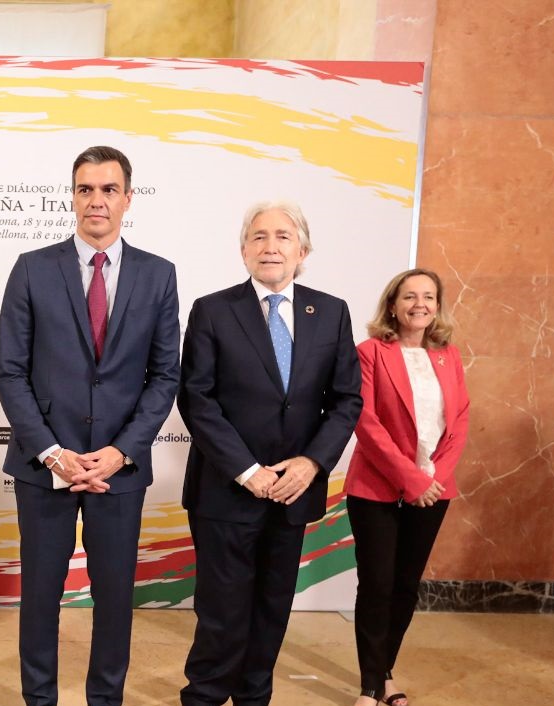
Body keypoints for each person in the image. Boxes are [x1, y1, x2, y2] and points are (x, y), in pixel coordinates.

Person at [0, 145, 181, 706]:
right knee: (40, 597)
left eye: (108, 189)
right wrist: (52, 452)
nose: (96, 200)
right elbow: (10, 372)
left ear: (128, 198)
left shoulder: (158, 274)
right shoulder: (32, 267)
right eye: (85, 189)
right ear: (72, 196)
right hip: (44, 467)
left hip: (118, 470)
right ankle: (39, 700)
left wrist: (121, 451)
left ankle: (106, 700)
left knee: (115, 599)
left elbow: (165, 375)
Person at [177, 201, 362, 706]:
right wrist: (247, 470)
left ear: (303, 251)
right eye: (258, 236)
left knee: (272, 609)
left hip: (293, 493)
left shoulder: (331, 312)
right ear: (243, 251)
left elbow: (347, 399)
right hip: (226, 492)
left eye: (283, 236)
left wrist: (312, 463)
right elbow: (197, 398)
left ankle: (254, 698)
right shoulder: (213, 310)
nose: (270, 246)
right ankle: (204, 697)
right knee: (221, 613)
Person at [345, 268, 469, 706]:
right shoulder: (370, 353)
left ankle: (385, 673)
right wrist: (412, 479)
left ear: (437, 306)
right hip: (376, 488)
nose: (420, 304)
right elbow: (365, 422)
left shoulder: (449, 356)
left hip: (434, 490)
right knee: (377, 585)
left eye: (429, 297)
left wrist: (433, 478)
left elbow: (460, 421)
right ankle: (369, 686)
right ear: (393, 305)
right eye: (410, 296)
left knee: (405, 587)